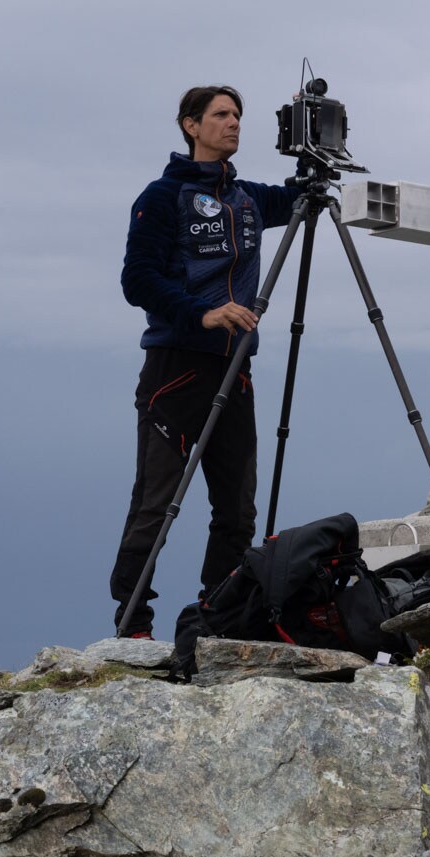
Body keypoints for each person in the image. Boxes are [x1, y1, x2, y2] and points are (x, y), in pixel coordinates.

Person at [109, 86, 300, 638]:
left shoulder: (248, 199)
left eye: (238, 115)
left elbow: (296, 199)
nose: (233, 123)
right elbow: (137, 280)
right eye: (221, 115)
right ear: (191, 126)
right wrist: (204, 314)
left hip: (235, 370)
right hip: (176, 367)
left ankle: (216, 619)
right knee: (157, 503)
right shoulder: (162, 195)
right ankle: (134, 623)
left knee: (238, 512)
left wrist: (316, 170)